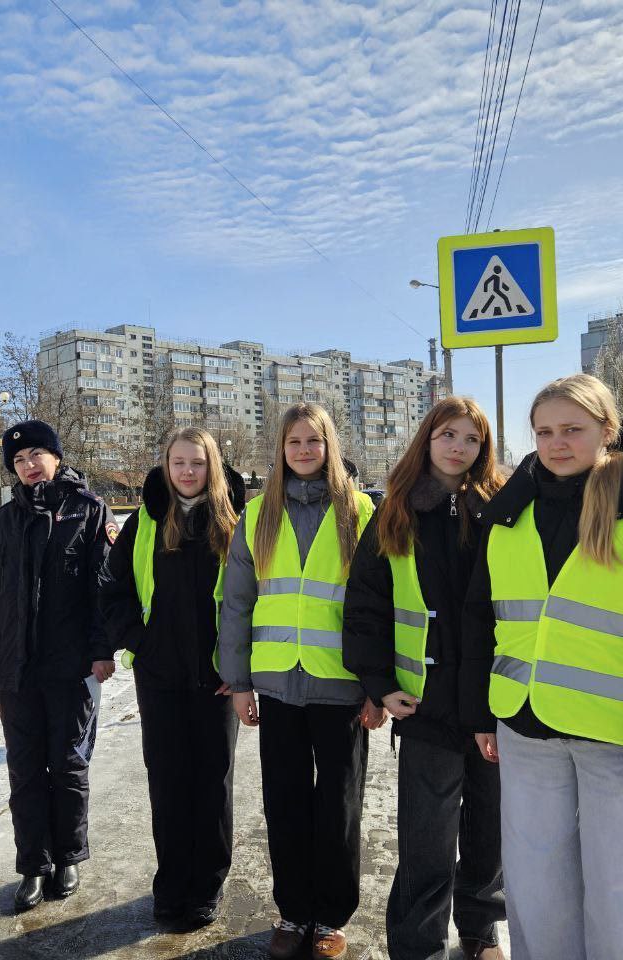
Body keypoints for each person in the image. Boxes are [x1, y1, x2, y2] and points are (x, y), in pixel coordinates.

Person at [460, 374, 623, 960]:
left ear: (607, 432)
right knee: (536, 887)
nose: (556, 443)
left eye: (572, 430)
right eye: (544, 431)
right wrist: (480, 712)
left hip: (622, 746)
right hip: (526, 731)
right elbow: (481, 621)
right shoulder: (509, 519)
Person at [217, 402, 384, 960]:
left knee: (338, 806)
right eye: (294, 442)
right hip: (278, 689)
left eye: (314, 441)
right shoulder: (258, 513)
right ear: (281, 450)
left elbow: (379, 604)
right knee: (284, 802)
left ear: (329, 446)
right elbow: (236, 601)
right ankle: (293, 913)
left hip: (341, 687)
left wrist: (376, 686)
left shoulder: (359, 512)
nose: (305, 450)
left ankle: (331, 918)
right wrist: (239, 680)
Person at [343, 396, 507, 960]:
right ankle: (418, 946)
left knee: (488, 828)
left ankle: (482, 930)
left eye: (472, 439)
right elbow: (365, 605)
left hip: (491, 702)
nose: (459, 448)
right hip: (426, 707)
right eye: (448, 435)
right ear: (427, 440)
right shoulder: (398, 510)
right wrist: (377, 681)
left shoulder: (502, 509)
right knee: (426, 840)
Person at [0, 419, 118, 912]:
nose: (29, 466)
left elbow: (103, 590)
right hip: (14, 669)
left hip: (70, 666)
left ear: (56, 457)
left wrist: (101, 650)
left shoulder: (90, 513)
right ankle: (33, 864)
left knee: (68, 763)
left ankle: (68, 855)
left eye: (36, 455)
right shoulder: (4, 521)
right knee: (24, 769)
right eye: (19, 459)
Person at [98, 427, 245, 930]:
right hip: (159, 678)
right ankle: (173, 883)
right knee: (167, 782)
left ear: (213, 467)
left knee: (211, 782)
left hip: (218, 679)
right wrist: (139, 641)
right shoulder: (144, 523)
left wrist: (238, 664)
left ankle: (207, 885)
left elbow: (254, 599)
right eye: (178, 462)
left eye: (197, 463)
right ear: (165, 466)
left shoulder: (235, 522)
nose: (187, 472)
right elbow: (112, 589)